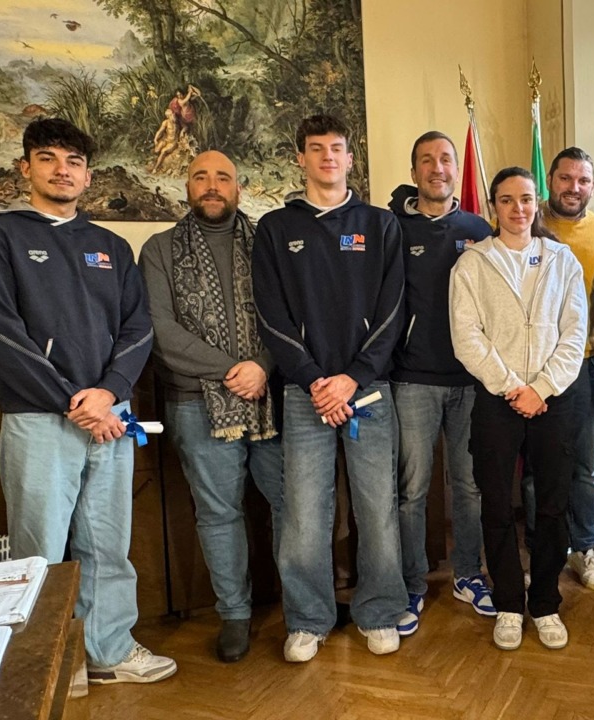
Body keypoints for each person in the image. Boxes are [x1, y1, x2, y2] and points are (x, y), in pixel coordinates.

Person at [0, 118, 176, 685]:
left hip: (113, 418)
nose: (63, 169)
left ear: (88, 175)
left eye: (75, 161)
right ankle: (52, 666)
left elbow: (138, 329)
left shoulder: (110, 246)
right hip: (40, 420)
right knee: (39, 553)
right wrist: (73, 402)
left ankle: (108, 652)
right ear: (26, 167)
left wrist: (108, 395)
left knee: (108, 547)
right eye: (49, 157)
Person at [252, 114, 407, 662]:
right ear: (301, 158)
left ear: (349, 157)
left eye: (336, 149)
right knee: (304, 513)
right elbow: (269, 316)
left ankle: (380, 611)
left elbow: (393, 311)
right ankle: (308, 619)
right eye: (315, 149)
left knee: (377, 508)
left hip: (367, 390)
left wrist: (352, 377)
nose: (327, 158)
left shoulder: (381, 224)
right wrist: (317, 380)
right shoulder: (274, 229)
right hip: (305, 394)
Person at [140, 150, 283, 663]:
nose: (212, 185)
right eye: (201, 176)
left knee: (295, 504)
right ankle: (235, 616)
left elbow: (287, 317)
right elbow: (160, 329)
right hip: (195, 403)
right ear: (187, 186)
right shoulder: (158, 250)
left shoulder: (269, 243)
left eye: (223, 176)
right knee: (219, 514)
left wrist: (262, 364)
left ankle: (306, 607)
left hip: (272, 397)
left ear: (239, 187)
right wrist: (232, 368)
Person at [449, 166, 588, 651]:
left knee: (551, 503)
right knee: (495, 503)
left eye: (526, 198)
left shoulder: (562, 259)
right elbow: (467, 337)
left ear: (537, 203)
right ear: (493, 208)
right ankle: (509, 601)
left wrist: (542, 387)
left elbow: (575, 334)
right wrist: (511, 387)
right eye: (507, 200)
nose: (518, 208)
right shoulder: (472, 264)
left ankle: (545, 600)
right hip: (498, 399)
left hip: (554, 398)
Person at [388, 131, 496, 636]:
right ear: (414, 173)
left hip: (472, 383)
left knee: (470, 485)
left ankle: (469, 575)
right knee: (412, 489)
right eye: (426, 160)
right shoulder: (393, 226)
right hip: (412, 380)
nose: (438, 167)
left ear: (457, 170)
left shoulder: (479, 227)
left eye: (446, 159)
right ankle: (412, 582)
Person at [524, 147, 594, 591]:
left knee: (584, 465)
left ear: (592, 185)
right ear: (550, 180)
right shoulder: (527, 220)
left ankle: (582, 547)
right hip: (533, 369)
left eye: (583, 180)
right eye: (565, 178)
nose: (574, 188)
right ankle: (541, 548)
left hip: (587, 364)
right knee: (535, 468)